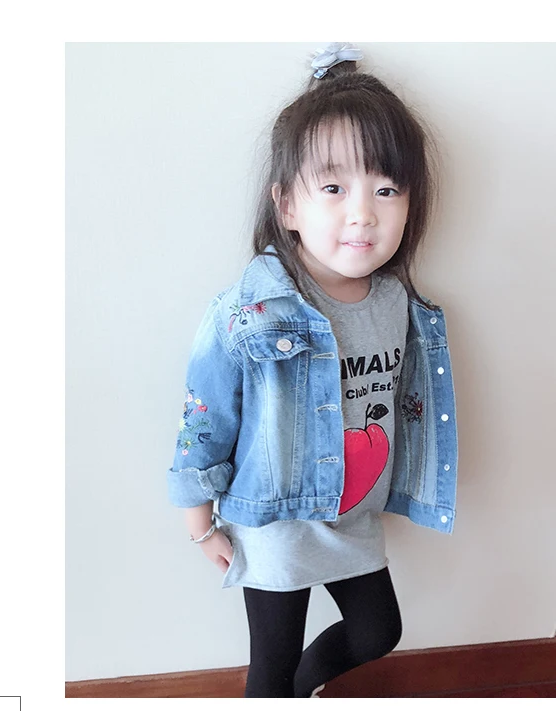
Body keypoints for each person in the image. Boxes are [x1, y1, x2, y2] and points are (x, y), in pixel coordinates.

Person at [165, 43, 459, 698]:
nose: (362, 212)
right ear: (287, 207)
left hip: (353, 514)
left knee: (377, 630)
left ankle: (302, 690)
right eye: (333, 188)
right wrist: (199, 520)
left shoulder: (397, 304)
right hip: (274, 521)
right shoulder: (251, 308)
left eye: (386, 189)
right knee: (269, 664)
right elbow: (205, 412)